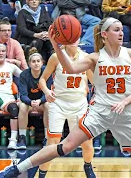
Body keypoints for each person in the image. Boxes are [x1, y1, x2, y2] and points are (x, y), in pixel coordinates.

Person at [0, 17, 131, 178]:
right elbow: (71, 68)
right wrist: (55, 44)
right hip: (100, 112)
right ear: (104, 34)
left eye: (121, 30)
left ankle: (88, 166)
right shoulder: (94, 58)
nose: (121, 33)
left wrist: (125, 102)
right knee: (64, 146)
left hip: (126, 114)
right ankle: (16, 169)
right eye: (116, 30)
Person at [36, 40, 95, 178]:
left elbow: (95, 82)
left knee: (86, 143)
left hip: (79, 103)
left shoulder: (86, 58)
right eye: (70, 37)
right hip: (59, 103)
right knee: (52, 143)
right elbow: (42, 80)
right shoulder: (56, 56)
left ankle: (88, 166)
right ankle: (42, 174)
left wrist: (96, 97)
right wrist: (46, 91)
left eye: (76, 37)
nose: (73, 40)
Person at [17, 49, 52, 150]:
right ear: (29, 64)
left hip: (42, 102)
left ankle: (47, 137)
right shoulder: (24, 74)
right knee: (22, 107)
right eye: (33, 61)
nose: (36, 64)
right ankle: (22, 137)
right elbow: (22, 95)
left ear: (42, 63)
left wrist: (40, 101)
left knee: (48, 106)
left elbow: (48, 92)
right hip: (28, 102)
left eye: (38, 61)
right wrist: (30, 102)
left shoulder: (47, 73)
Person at [0, 44, 22, 150]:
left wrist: (20, 97)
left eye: (3, 51)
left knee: (14, 109)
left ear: (6, 53)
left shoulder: (11, 67)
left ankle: (13, 140)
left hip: (7, 97)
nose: (1, 53)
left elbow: (24, 78)